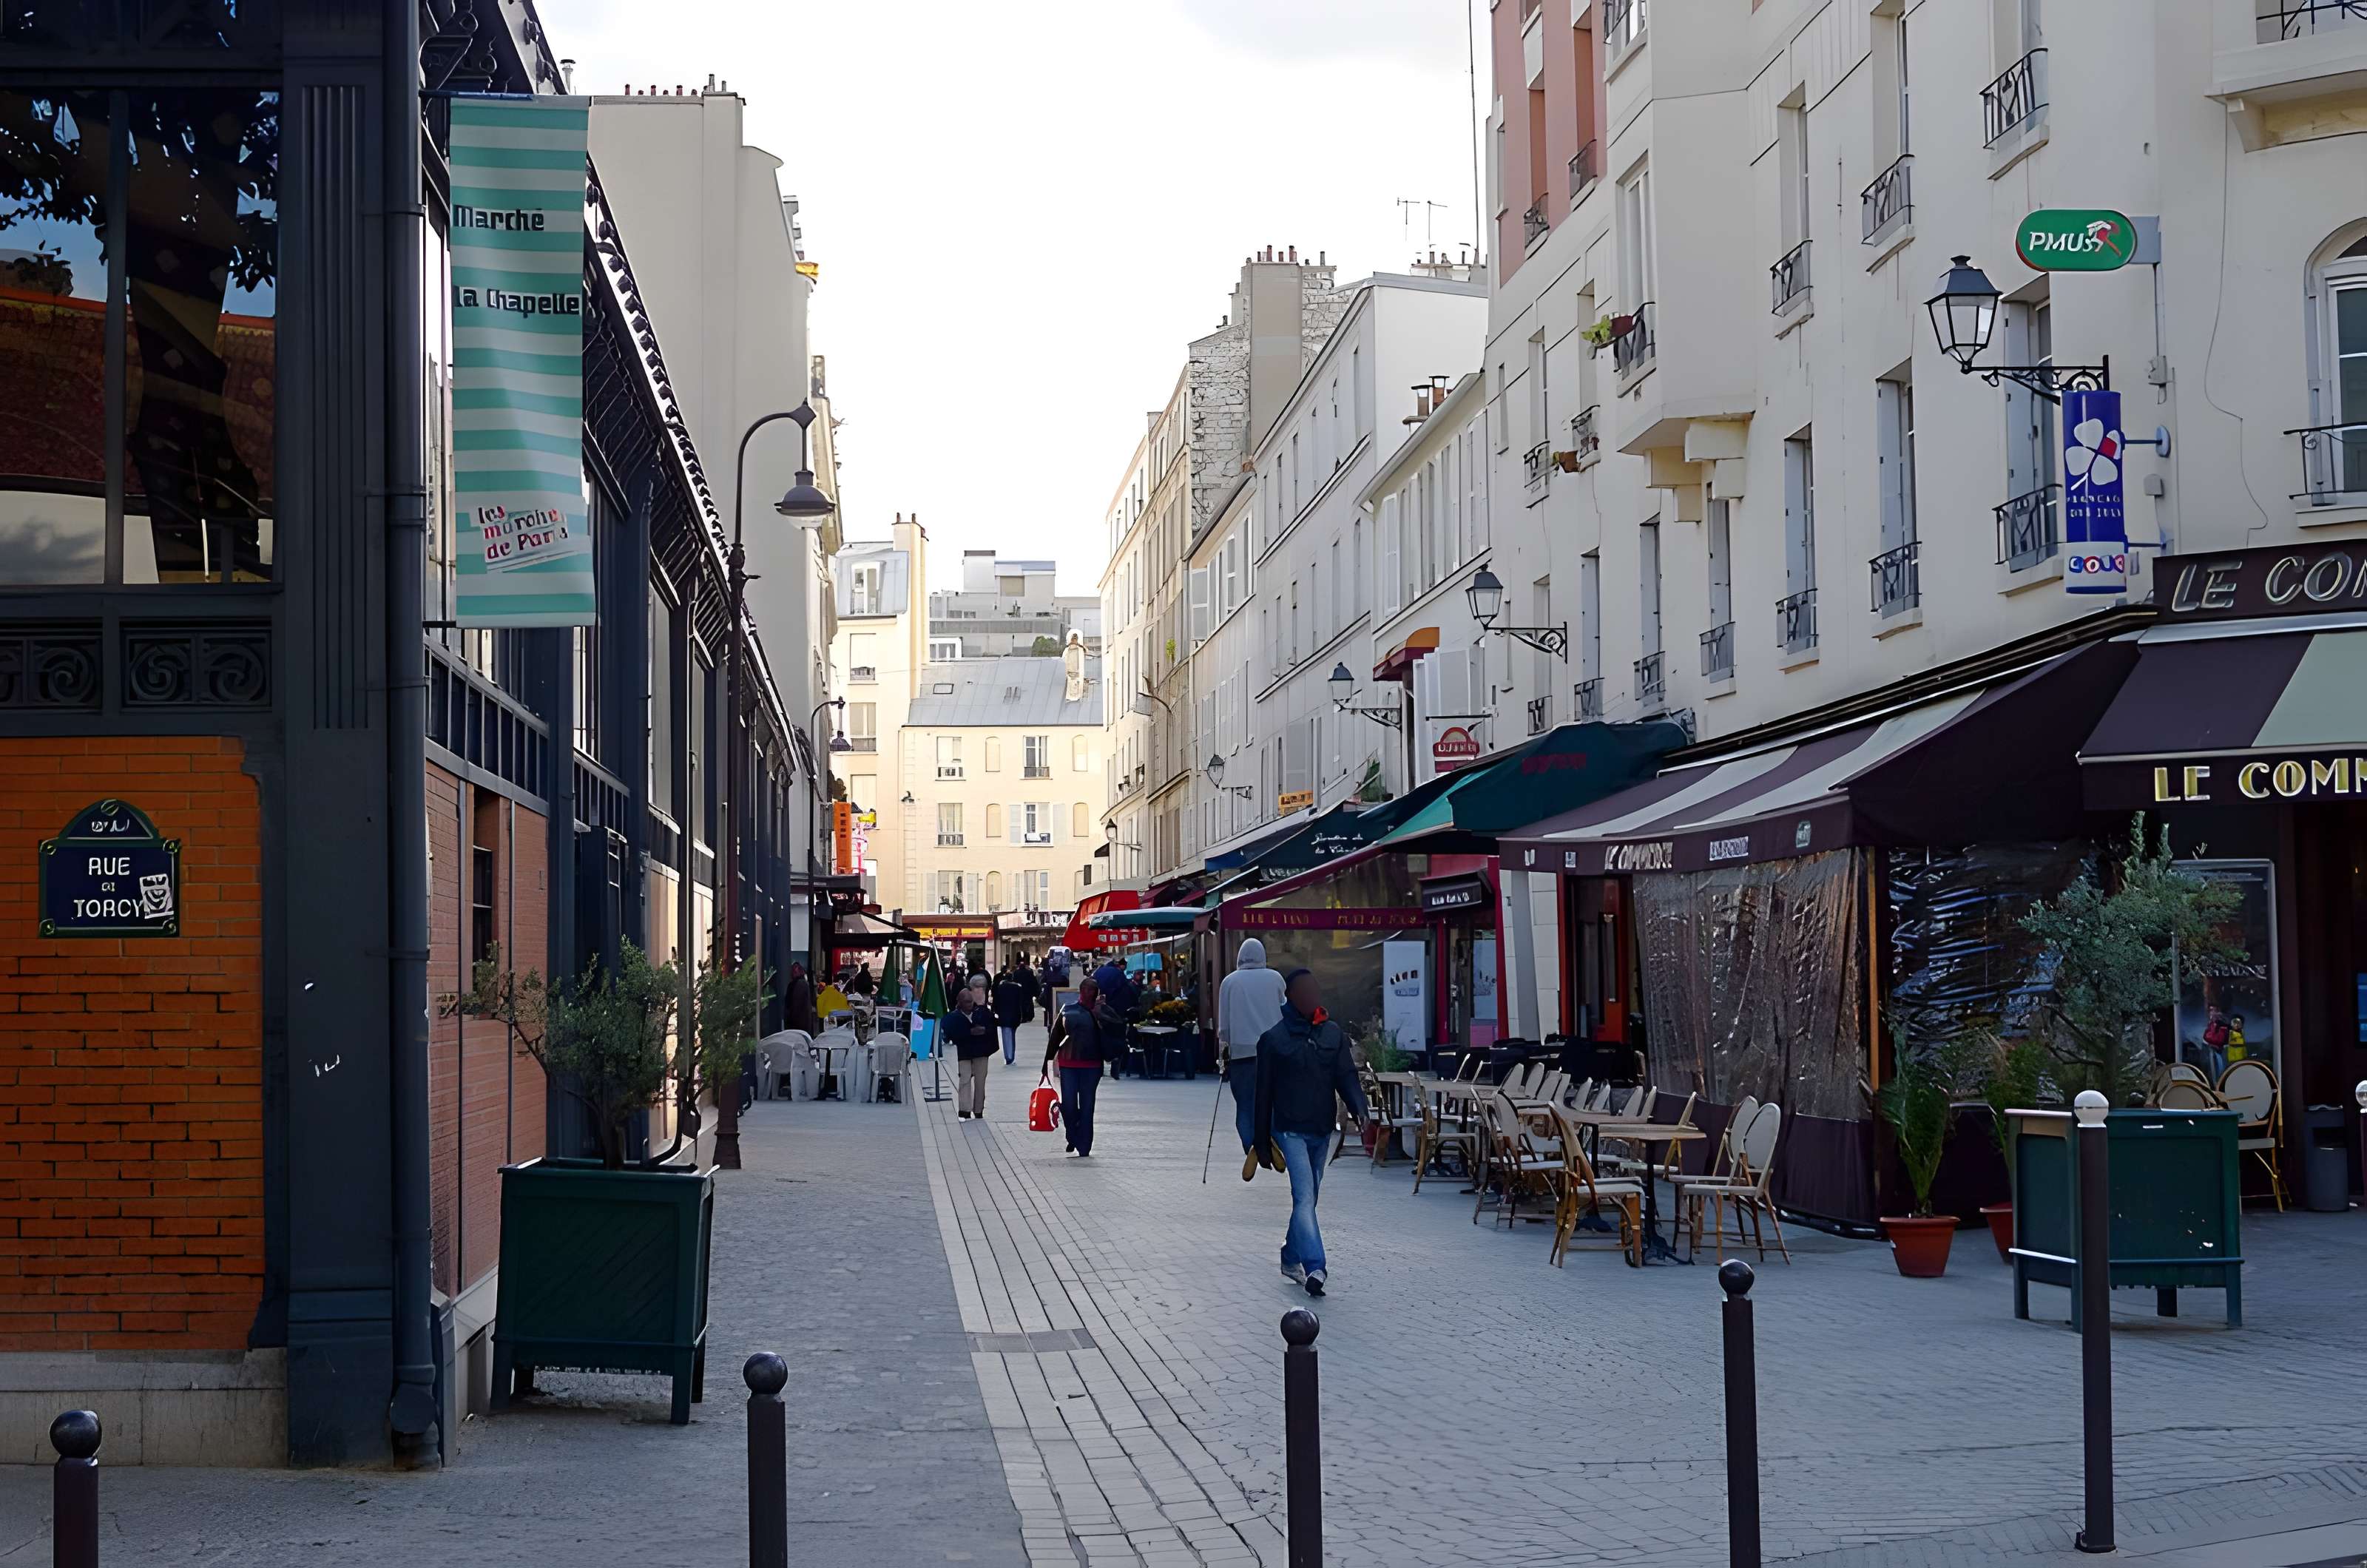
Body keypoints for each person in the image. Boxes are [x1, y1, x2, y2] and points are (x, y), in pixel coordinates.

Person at [1252, 968, 1370, 1298]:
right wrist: (1260, 1141)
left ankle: (1290, 1258)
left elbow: (1346, 1076)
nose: (1312, 996)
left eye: (1315, 990)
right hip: (1290, 1131)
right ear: (1290, 997)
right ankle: (1316, 1265)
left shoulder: (1332, 1035)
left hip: (1321, 1129)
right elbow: (1262, 1095)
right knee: (1303, 1196)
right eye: (1304, 991)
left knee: (1310, 1198)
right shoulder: (1273, 1040)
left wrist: (1359, 1108)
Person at [1216, 938, 1288, 1154]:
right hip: (1275, 1053)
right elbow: (1285, 1013)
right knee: (1274, 1102)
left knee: (1245, 1105)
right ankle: (1274, 1143)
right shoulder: (1276, 979)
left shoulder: (1229, 982)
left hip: (1242, 1054)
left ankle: (1251, 1148)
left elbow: (1224, 1028)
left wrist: (1224, 1056)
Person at [1043, 977, 1121, 1158]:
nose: (1089, 995)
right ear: (1081, 992)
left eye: (1092, 992)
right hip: (1068, 1064)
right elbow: (1055, 1037)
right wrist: (1046, 1063)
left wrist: (1101, 1013)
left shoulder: (1100, 1012)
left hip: (1091, 1066)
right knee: (1069, 1105)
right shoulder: (1068, 1011)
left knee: (1087, 1106)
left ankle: (1083, 1144)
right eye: (1087, 991)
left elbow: (1118, 1027)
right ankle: (1073, 1135)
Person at [950, 981, 998, 1120]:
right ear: (959, 1002)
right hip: (965, 1052)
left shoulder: (983, 1012)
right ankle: (964, 1110)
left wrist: (983, 1031)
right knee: (964, 1079)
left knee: (980, 1081)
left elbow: (992, 1029)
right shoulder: (955, 1015)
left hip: (981, 1052)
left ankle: (978, 1110)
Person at [994, 962, 1036, 1066]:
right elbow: (1021, 1002)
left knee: (1006, 1035)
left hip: (1004, 1015)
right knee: (1012, 1035)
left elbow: (996, 1001)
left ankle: (1009, 1056)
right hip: (1015, 1015)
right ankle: (1010, 1056)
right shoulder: (1018, 988)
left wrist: (996, 1011)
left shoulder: (1001, 988)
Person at [783, 962, 820, 1036]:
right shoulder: (805, 984)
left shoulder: (794, 985)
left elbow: (790, 1005)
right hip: (804, 1023)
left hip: (795, 1023)